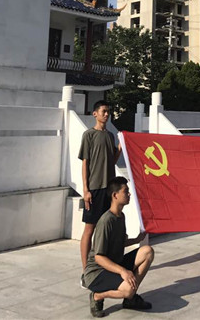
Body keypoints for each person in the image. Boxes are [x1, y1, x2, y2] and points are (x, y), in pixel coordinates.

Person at [83, 176, 154, 318]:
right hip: (97, 272)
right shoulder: (106, 221)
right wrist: (123, 271)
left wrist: (136, 240)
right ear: (115, 195)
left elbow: (119, 242)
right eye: (125, 191)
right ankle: (97, 296)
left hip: (114, 263)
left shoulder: (121, 216)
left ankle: (130, 299)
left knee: (147, 251)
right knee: (128, 289)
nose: (129, 194)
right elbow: (99, 257)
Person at [79, 100, 122, 279]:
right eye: (103, 111)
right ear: (95, 113)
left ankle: (105, 265)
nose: (106, 114)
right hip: (95, 188)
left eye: (108, 111)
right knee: (90, 229)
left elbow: (112, 161)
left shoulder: (110, 136)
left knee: (106, 229)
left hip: (109, 189)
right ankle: (86, 271)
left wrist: (120, 148)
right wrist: (86, 189)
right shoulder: (88, 135)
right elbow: (85, 163)